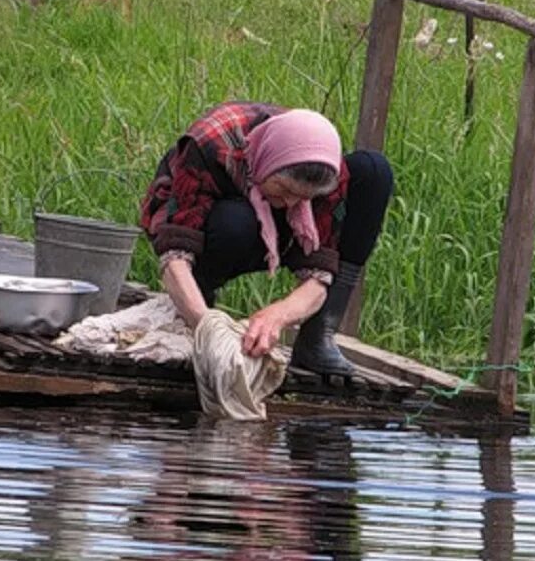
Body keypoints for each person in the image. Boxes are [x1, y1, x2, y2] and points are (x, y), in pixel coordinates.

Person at [140, 101, 393, 376]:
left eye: (303, 197)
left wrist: (278, 315)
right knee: (235, 222)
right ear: (268, 163)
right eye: (284, 189)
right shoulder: (210, 145)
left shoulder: (324, 170)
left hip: (272, 221)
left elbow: (319, 276)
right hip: (216, 220)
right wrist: (206, 327)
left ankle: (318, 337)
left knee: (373, 171)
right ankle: (193, 306)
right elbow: (174, 256)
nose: (290, 203)